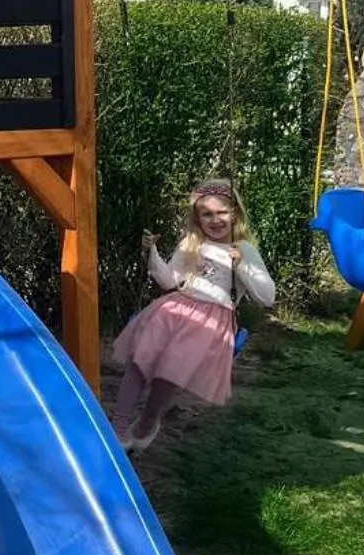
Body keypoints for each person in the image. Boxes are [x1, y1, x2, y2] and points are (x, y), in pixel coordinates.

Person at [110, 180, 275, 453]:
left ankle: (146, 424)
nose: (215, 220)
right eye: (206, 214)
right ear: (197, 218)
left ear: (235, 212)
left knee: (171, 372)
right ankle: (118, 426)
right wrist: (151, 252)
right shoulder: (192, 243)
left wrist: (241, 265)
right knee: (141, 358)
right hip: (177, 307)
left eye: (221, 212)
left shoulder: (244, 249)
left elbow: (267, 297)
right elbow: (168, 280)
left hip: (212, 320)